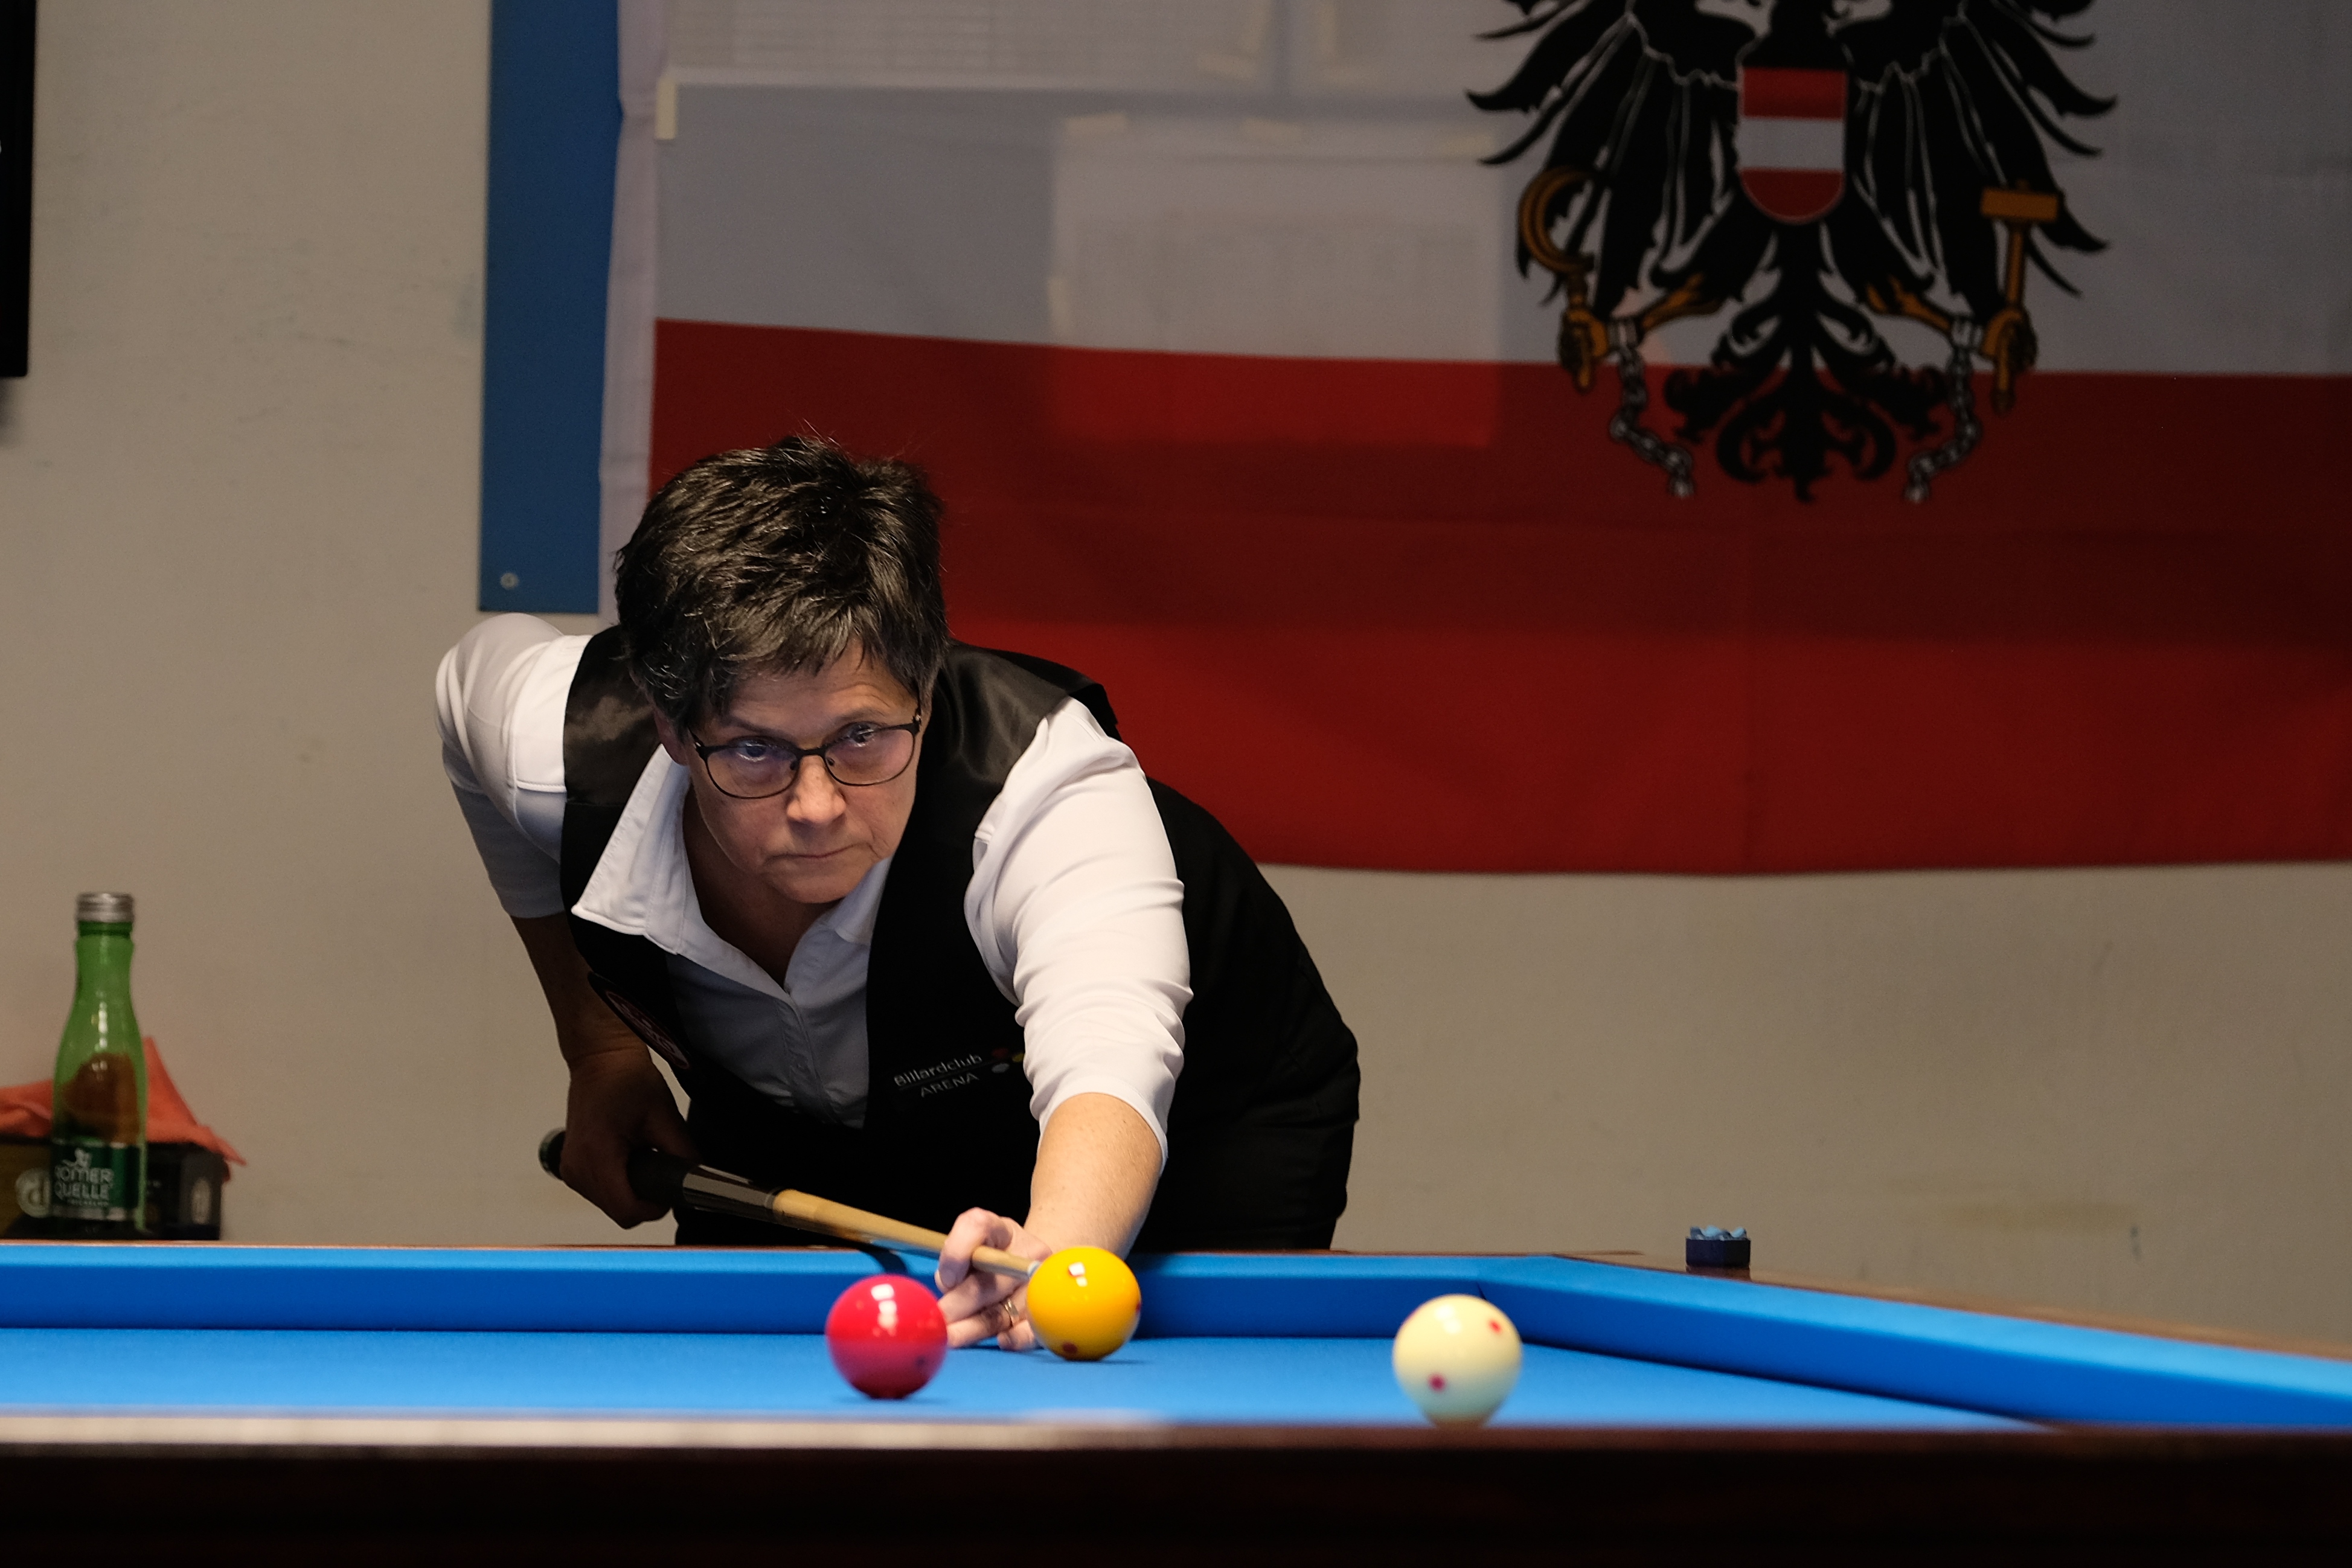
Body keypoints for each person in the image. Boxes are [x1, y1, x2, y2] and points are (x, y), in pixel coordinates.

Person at [437, 436, 1358, 1347]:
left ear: (923, 682)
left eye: (862, 736)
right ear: (669, 724)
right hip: (791, 1125)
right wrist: (600, 1051)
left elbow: (1109, 1050)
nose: (816, 806)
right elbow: (461, 688)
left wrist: (1053, 1257)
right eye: (755, 748)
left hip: (1196, 1124)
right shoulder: (555, 747)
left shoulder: (1046, 797)